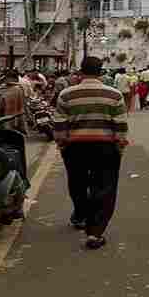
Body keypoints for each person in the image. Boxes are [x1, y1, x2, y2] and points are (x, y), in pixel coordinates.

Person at [53, 56, 130, 250]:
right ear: (101, 71)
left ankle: (80, 215)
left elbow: (60, 124)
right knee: (104, 187)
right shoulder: (114, 95)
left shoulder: (66, 94)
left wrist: (62, 144)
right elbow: (120, 125)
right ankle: (95, 233)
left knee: (77, 183)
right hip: (105, 148)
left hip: (75, 147)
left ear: (80, 71)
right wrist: (120, 145)